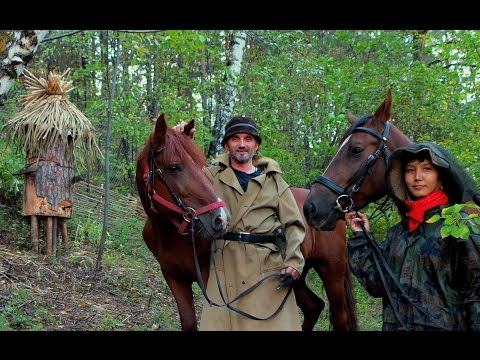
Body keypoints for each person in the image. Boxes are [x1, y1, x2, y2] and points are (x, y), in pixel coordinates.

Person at [174, 116, 305, 331]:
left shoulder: (274, 180)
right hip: (225, 267)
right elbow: (183, 175)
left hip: (266, 269)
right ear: (226, 145)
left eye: (248, 139)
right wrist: (183, 141)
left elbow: (294, 225)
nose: (242, 144)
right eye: (235, 139)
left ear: (256, 145)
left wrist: (294, 262)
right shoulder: (210, 176)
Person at [345, 141, 480, 331]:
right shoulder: (397, 233)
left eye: (426, 169)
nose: (417, 177)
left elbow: (476, 291)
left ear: (440, 177)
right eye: (410, 170)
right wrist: (361, 236)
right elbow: (377, 284)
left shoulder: (458, 224)